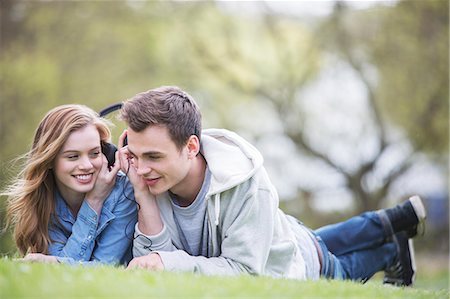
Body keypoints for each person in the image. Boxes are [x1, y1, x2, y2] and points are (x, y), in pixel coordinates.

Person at [118, 86, 426, 286]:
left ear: (191, 146)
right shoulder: (146, 179)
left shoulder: (247, 185)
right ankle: (390, 220)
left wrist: (166, 263)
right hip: (280, 232)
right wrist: (143, 196)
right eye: (135, 154)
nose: (142, 168)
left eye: (154, 156)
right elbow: (151, 264)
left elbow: (244, 273)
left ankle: (390, 249)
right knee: (321, 240)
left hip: (294, 262)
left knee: (339, 272)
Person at [3, 104, 137, 265]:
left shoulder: (123, 191)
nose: (86, 165)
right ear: (50, 160)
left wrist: (94, 201)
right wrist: (93, 202)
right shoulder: (46, 199)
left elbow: (105, 267)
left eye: (94, 153)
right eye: (73, 156)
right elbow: (66, 270)